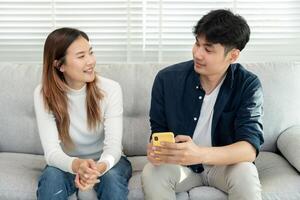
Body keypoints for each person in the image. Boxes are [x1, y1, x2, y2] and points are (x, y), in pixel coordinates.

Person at [142, 9, 264, 200]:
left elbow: (249, 149)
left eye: (208, 49)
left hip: (224, 167)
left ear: (232, 56)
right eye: (197, 44)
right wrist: (155, 150)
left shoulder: (247, 84)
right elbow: (158, 131)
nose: (197, 54)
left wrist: (199, 154)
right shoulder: (167, 79)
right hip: (181, 168)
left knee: (245, 172)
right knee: (152, 172)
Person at [34, 27, 132, 200]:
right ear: (59, 65)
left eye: (91, 53)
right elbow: (51, 153)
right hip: (68, 162)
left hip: (108, 162)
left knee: (111, 180)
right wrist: (77, 165)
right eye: (81, 56)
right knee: (51, 180)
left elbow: (114, 147)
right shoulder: (43, 94)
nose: (91, 61)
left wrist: (98, 168)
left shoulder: (111, 89)